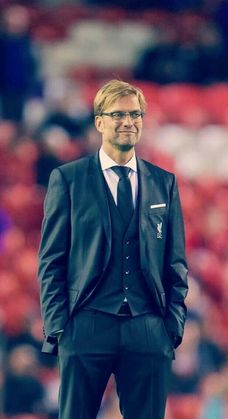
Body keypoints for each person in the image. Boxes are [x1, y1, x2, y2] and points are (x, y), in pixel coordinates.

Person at [38, 79, 188, 419]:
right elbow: (51, 262)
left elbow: (175, 263)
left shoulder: (165, 182)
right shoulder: (68, 179)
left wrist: (171, 328)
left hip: (148, 328)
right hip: (86, 325)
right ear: (99, 121)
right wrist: (61, 329)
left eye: (135, 114)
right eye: (118, 114)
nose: (128, 121)